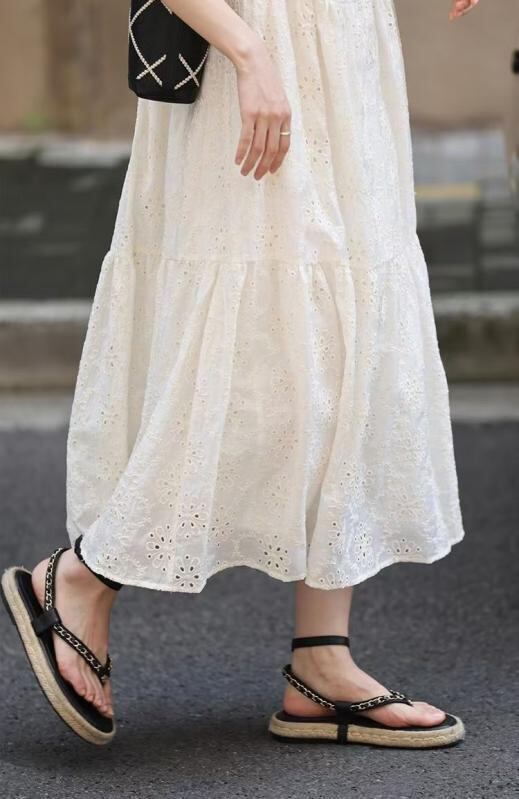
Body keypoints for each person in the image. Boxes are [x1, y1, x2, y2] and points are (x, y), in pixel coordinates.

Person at [2, 0, 479, 748]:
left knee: (343, 351)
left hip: (344, 55)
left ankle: (321, 660)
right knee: (256, 358)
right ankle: (84, 576)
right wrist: (249, 53)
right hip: (247, 54)